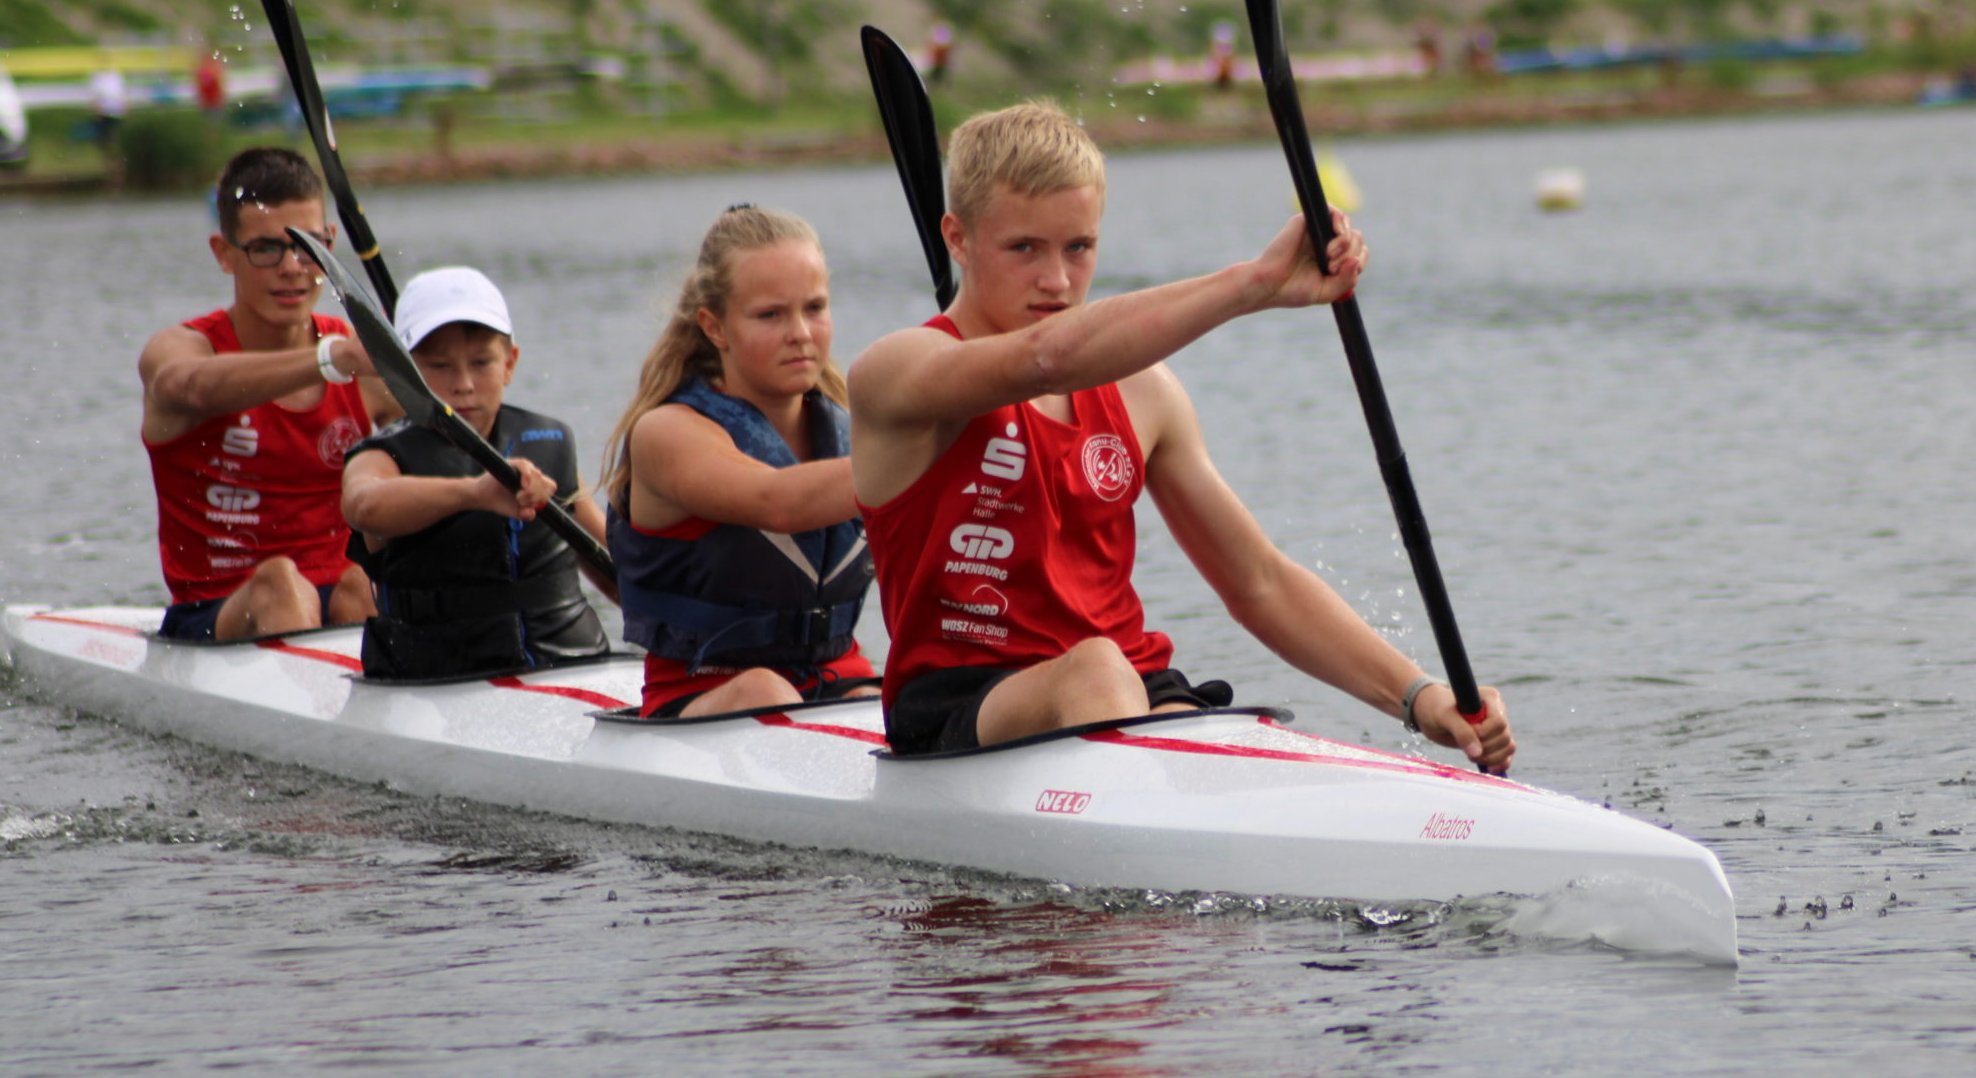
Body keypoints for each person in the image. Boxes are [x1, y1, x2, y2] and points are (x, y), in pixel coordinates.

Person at [847, 101, 1515, 772]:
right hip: (961, 703)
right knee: (1098, 669)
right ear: (957, 238)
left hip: (1129, 686)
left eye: (1079, 247)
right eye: (1024, 248)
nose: (1057, 280)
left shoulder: (1145, 393)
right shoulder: (899, 373)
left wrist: (1419, 696)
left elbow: (1259, 582)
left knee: (1182, 716)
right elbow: (1046, 357)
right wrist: (1255, 284)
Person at [603, 205, 876, 718]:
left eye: (815, 308)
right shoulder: (667, 433)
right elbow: (777, 503)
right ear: (715, 327)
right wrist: (930, 455)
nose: (800, 332)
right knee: (765, 692)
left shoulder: (853, 429)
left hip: (839, 677)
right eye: (771, 315)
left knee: (881, 698)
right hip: (704, 689)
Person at [140, 148, 393, 641]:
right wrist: (330, 360)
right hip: (216, 610)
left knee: (363, 580)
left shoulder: (361, 358)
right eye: (265, 249)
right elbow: (187, 386)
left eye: (307, 246)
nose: (292, 267)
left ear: (330, 241)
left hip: (344, 598)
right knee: (280, 582)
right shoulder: (184, 349)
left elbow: (458, 428)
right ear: (224, 253)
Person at [340, 267, 612, 679]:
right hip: (437, 679)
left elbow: (614, 567)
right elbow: (363, 506)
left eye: (481, 362)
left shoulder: (550, 440)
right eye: (439, 366)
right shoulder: (382, 455)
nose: (464, 384)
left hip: (576, 665)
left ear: (510, 363)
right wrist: (475, 493)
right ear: (401, 376)